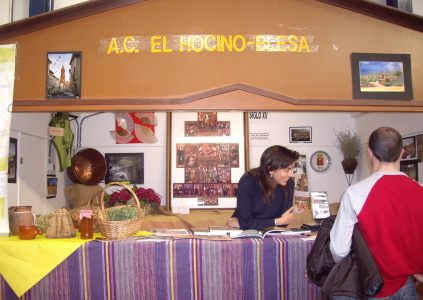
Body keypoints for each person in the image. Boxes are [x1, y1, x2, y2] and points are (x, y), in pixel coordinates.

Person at [330, 127, 423, 299]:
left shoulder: (355, 193)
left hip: (374, 287)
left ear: (370, 152)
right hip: (409, 286)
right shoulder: (420, 191)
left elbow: (339, 250)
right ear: (402, 153)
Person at [227, 145, 299, 230]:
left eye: (292, 169)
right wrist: (277, 221)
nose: (291, 174)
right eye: (287, 169)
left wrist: (278, 222)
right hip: (245, 234)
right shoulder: (248, 180)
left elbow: (284, 222)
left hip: (272, 234)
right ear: (271, 169)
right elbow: (246, 223)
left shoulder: (289, 183)